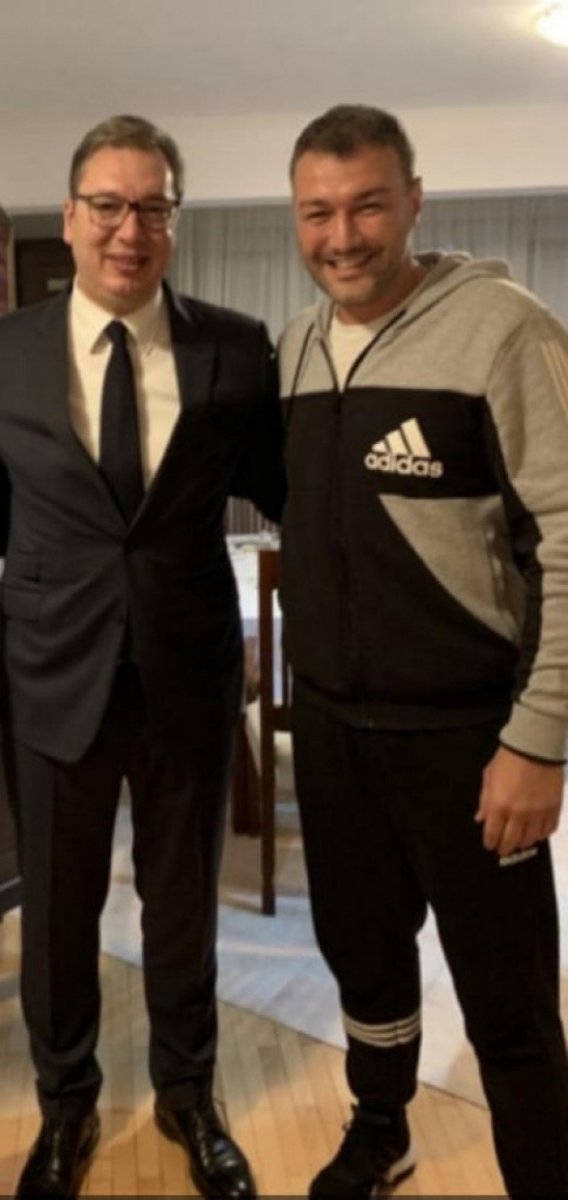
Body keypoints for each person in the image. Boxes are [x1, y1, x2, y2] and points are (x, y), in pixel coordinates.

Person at [279, 103, 568, 1198]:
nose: (341, 236)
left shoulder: (506, 329)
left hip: (472, 740)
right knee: (364, 960)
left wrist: (539, 741)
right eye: (317, 212)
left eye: (366, 206)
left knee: (507, 1001)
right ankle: (380, 1128)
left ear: (412, 202)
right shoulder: (298, 348)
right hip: (333, 730)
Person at [0, 113, 284, 1200]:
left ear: (176, 220)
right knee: (58, 915)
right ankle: (65, 1107)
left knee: (183, 906)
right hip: (50, 676)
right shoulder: (7, 353)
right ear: (72, 217)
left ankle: (188, 1095)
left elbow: (287, 493)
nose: (131, 229)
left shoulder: (235, 348)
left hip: (187, 675)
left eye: (154, 207)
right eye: (110, 206)